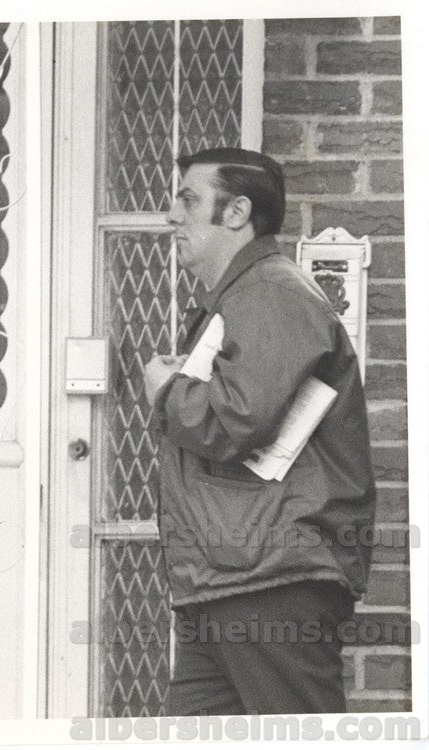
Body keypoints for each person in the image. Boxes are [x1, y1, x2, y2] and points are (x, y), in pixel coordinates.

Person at [143, 148, 375, 715]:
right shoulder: (249, 295)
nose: (172, 216)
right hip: (234, 581)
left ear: (237, 211)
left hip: (270, 583)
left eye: (189, 200)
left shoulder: (271, 293)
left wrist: (165, 392)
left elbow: (235, 421)